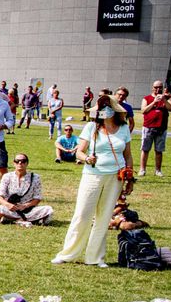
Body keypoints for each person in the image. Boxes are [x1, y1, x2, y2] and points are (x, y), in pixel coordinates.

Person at [53, 93, 133, 267]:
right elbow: (80, 151)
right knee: (82, 214)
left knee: (104, 217)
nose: (105, 111)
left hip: (115, 177)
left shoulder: (124, 128)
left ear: (115, 110)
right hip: (93, 174)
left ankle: (95, 257)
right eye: (102, 108)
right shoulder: (91, 127)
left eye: (108, 107)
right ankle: (68, 254)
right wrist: (87, 158)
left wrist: (130, 178)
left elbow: (128, 155)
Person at [0, 154, 53, 227]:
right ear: (14, 163)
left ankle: (15, 220)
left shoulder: (35, 177)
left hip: (28, 210)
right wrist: (7, 204)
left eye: (23, 161)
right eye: (17, 161)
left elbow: (37, 198)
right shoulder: (7, 176)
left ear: (27, 163)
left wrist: (25, 206)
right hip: (11, 209)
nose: (20, 163)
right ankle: (25, 220)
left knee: (48, 210)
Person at [140, 81, 171, 177]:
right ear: (152, 87)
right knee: (145, 149)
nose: (158, 89)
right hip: (148, 127)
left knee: (159, 151)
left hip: (161, 128)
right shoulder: (147, 98)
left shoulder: (167, 97)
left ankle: (158, 170)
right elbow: (143, 110)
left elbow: (170, 108)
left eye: (160, 87)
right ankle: (142, 169)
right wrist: (154, 102)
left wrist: (164, 100)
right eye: (156, 87)